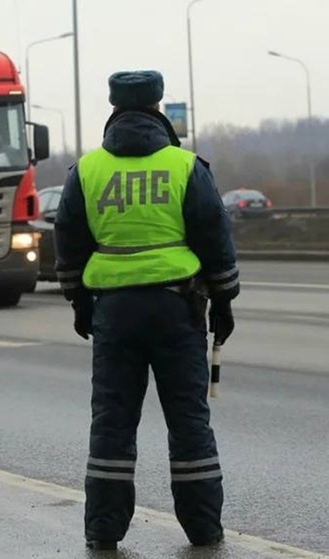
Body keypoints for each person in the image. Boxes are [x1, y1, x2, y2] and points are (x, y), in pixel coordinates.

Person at [53, 70, 239, 551]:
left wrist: (78, 300)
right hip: (178, 309)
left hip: (113, 312)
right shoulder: (185, 167)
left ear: (113, 110)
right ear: (159, 109)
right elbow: (214, 236)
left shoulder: (88, 170)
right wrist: (224, 300)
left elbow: (68, 241)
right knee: (188, 422)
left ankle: (103, 530)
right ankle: (203, 529)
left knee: (112, 422)